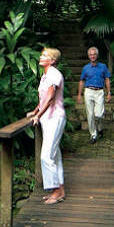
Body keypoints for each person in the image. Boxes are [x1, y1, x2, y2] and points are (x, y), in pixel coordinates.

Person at [26, 47, 65, 204]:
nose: (41, 57)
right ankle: (60, 191)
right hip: (48, 119)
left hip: (54, 118)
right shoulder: (46, 75)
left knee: (46, 156)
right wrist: (35, 111)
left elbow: (50, 98)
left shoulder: (54, 74)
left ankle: (55, 191)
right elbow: (42, 99)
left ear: (53, 60)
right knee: (55, 157)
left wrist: (38, 115)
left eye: (45, 55)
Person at [76, 46, 112, 144]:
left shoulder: (103, 67)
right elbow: (81, 81)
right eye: (91, 55)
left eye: (94, 54)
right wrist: (79, 95)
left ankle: (100, 128)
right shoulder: (86, 68)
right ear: (88, 56)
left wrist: (109, 93)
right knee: (90, 114)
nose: (92, 56)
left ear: (97, 55)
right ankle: (93, 134)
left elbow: (107, 80)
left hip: (99, 92)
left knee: (99, 114)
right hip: (88, 91)